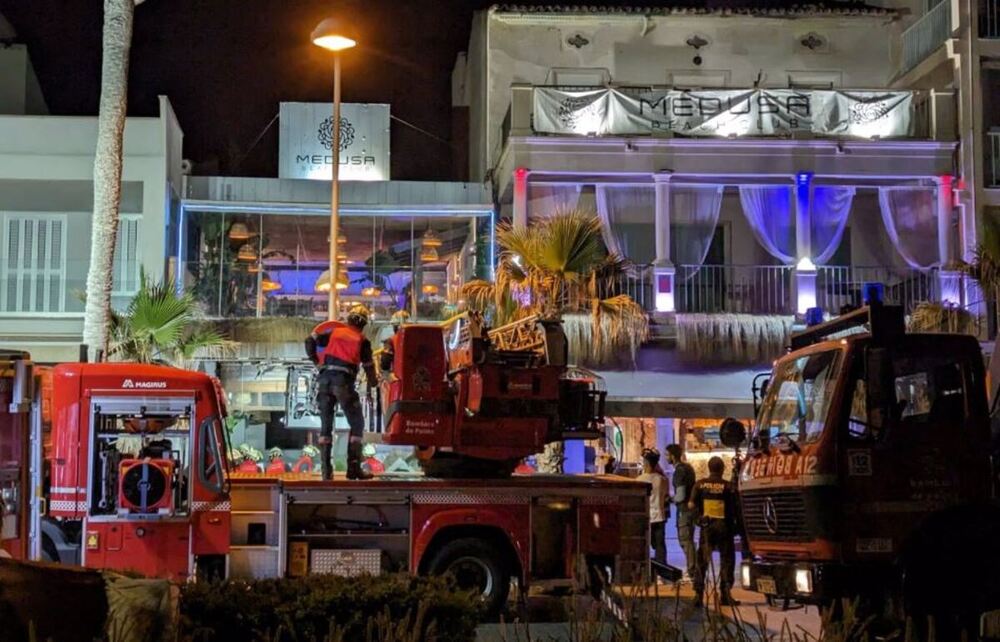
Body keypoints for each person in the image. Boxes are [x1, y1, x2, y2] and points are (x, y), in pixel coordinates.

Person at [305, 305, 377, 480]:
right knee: (357, 423)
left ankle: (326, 472)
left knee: (326, 428)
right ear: (364, 324)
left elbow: (309, 341)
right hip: (343, 383)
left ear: (349, 319)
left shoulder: (334, 333)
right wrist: (374, 383)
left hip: (324, 382)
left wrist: (317, 362)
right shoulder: (362, 341)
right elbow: (369, 368)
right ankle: (353, 469)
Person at [689, 456, 740, 607]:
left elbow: (691, 505)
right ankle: (725, 594)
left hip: (707, 529)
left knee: (702, 562)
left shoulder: (700, 485)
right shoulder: (729, 486)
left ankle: (698, 595)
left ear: (709, 468)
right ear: (723, 469)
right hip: (724, 529)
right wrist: (737, 528)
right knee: (727, 561)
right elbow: (737, 509)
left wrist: (698, 520)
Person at [666, 444, 697, 582]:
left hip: (684, 510)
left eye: (667, 455)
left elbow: (680, 495)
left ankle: (693, 571)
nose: (666, 457)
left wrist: (669, 499)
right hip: (692, 510)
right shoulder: (689, 468)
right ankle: (694, 569)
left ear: (672, 456)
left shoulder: (679, 471)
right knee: (689, 539)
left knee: (685, 540)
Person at [637, 449, 668, 565]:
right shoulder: (663, 480)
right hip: (659, 517)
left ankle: (645, 571)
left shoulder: (639, 480)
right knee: (660, 546)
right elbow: (665, 496)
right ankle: (662, 572)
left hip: (645, 517)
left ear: (646, 463)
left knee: (643, 545)